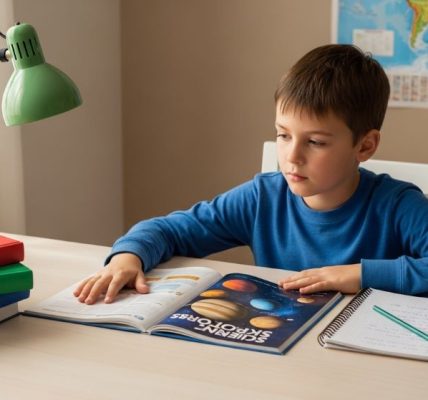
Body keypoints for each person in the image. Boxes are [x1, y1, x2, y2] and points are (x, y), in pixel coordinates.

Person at [74, 44, 428, 305]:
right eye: (283, 135)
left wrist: (360, 274)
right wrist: (127, 257)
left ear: (365, 147)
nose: (292, 156)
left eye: (316, 142)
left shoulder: (399, 205)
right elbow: (168, 230)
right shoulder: (263, 198)